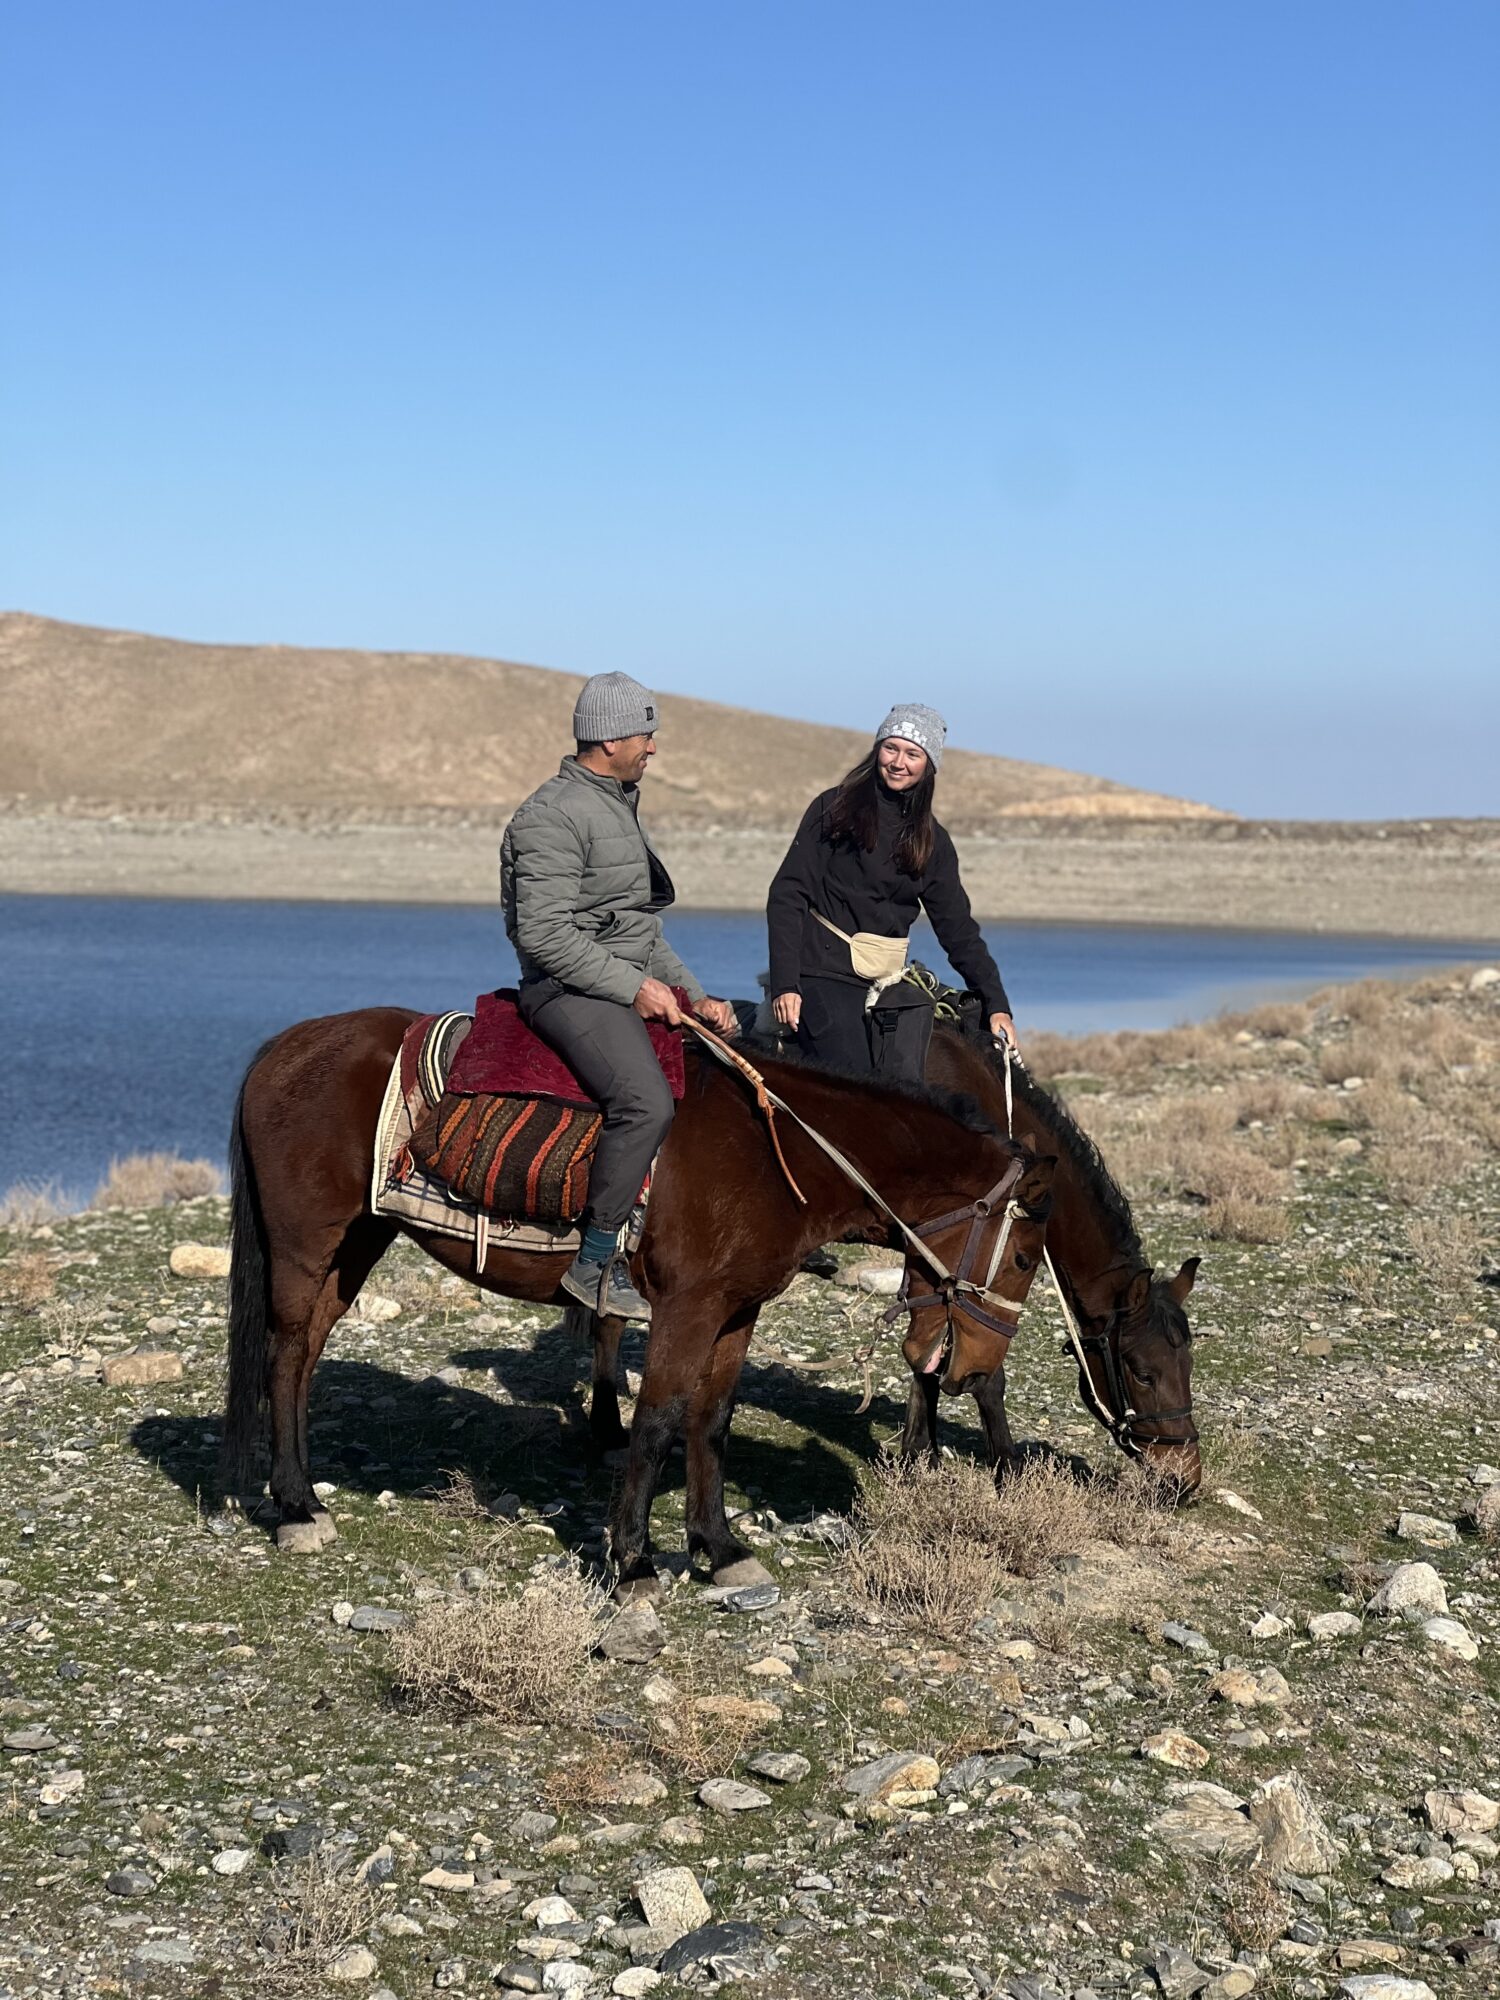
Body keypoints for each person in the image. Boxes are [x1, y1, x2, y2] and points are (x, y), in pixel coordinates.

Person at [501, 671, 736, 1320]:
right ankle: (593, 1263)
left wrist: (694, 995)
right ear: (608, 740)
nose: (654, 747)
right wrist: (635, 988)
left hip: (610, 979)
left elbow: (636, 930)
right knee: (644, 1101)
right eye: (646, 734)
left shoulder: (614, 804)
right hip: (564, 989)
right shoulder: (550, 814)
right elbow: (543, 933)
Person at [766, 703, 1016, 1083]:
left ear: (928, 765)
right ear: (877, 749)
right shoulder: (833, 808)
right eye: (891, 748)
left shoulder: (933, 841)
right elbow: (788, 893)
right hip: (820, 972)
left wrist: (997, 1005)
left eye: (913, 754)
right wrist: (786, 984)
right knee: (860, 1087)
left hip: (887, 979)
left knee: (920, 1091)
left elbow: (958, 930)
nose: (899, 762)